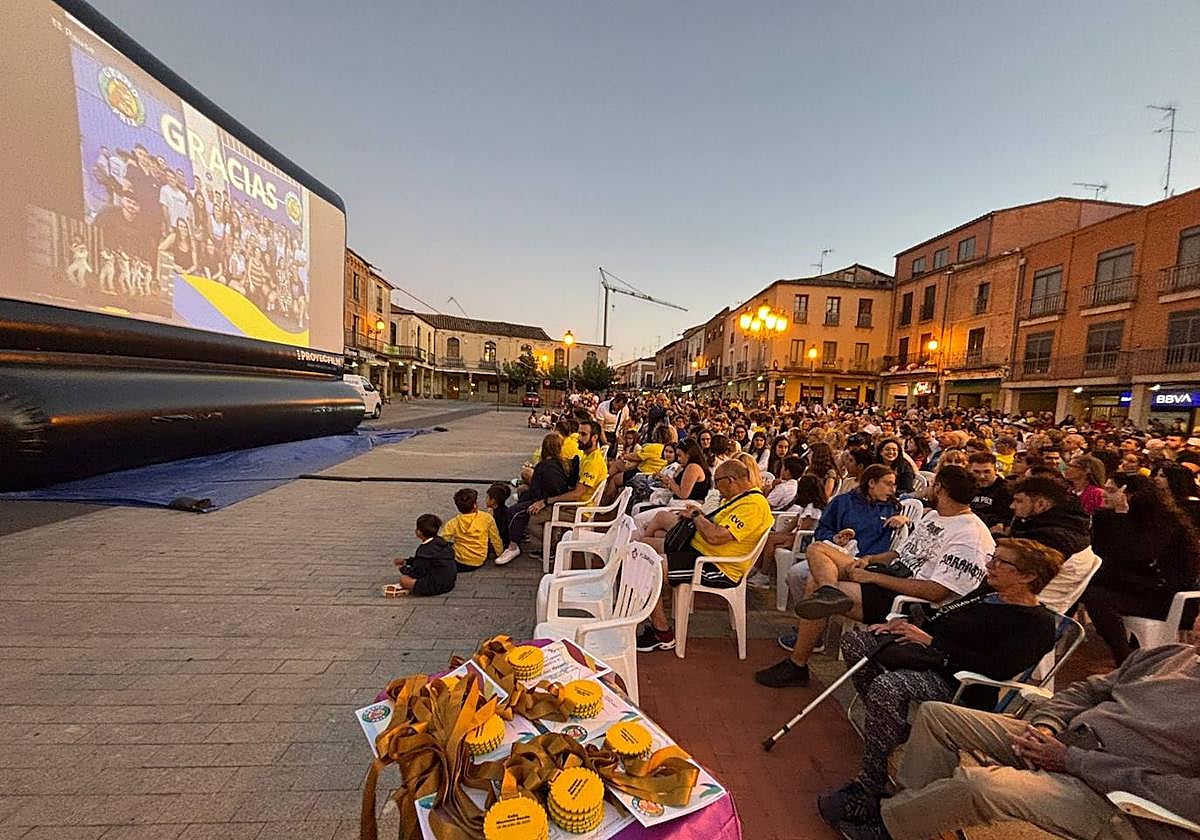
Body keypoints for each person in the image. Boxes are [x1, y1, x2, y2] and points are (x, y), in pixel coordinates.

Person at [820, 538, 1062, 830]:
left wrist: (935, 644)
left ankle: (870, 785)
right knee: (857, 641)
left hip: (961, 682)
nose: (989, 565)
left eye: (1001, 562)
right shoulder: (988, 592)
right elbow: (945, 617)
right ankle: (891, 728)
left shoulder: (1037, 624)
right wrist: (906, 627)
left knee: (888, 687)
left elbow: (999, 668)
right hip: (929, 657)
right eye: (992, 557)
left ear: (1028, 576)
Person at [857, 643, 1200, 840]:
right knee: (937, 715)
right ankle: (910, 816)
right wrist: (1047, 726)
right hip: (1064, 742)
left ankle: (886, 826)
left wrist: (1072, 761)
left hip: (1113, 798)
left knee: (980, 785)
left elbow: (1190, 799)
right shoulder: (1173, 655)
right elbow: (1087, 690)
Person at [758, 466, 995, 688]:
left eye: (932, 485)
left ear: (940, 489)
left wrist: (873, 578)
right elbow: (899, 553)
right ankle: (828, 593)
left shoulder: (969, 535)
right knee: (817, 548)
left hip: (905, 600)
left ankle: (797, 663)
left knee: (813, 581)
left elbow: (936, 592)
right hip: (889, 573)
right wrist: (870, 561)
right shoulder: (935, 516)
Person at [635, 459, 774, 652]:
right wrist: (698, 514)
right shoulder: (740, 498)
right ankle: (650, 603)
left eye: (718, 483)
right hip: (699, 553)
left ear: (731, 480)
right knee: (641, 549)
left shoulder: (754, 505)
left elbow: (716, 536)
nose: (717, 489)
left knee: (646, 566)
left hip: (715, 566)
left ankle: (662, 632)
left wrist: (696, 516)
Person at [1083, 473, 1200, 665]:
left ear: (1131, 495)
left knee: (1095, 594)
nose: (1103, 494)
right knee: (1086, 582)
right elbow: (1102, 554)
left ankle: (1125, 660)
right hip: (1132, 585)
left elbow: (1139, 555)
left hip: (1165, 596)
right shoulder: (1107, 519)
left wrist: (1121, 516)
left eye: (1111, 490)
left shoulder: (1164, 521)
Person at [497, 432, 573, 565]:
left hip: (548, 501)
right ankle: (518, 535)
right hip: (551, 497)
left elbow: (538, 490)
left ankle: (513, 545)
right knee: (523, 495)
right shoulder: (561, 463)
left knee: (515, 512)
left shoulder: (543, 466)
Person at [384, 514, 456, 597]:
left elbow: (418, 571)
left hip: (437, 585)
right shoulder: (441, 542)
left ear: (419, 532)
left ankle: (407, 588)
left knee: (403, 580)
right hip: (449, 582)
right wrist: (407, 561)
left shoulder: (424, 550)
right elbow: (423, 561)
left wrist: (404, 569)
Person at [439, 488, 503, 571]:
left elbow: (441, 539)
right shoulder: (487, 518)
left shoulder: (454, 522)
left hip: (459, 560)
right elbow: (495, 539)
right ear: (475, 505)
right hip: (478, 560)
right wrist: (500, 554)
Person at [967, 451, 1012, 529]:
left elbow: (1006, 519)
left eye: (987, 472)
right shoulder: (966, 487)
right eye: (976, 472)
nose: (982, 476)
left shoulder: (1006, 489)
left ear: (995, 470)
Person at [1152, 461, 1200, 528]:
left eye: (1162, 476)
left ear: (1175, 479)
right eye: (1156, 475)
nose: (1156, 478)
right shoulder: (1155, 498)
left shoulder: (1191, 503)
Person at [485, 483, 513, 548]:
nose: (485, 499)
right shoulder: (504, 510)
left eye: (487, 497)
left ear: (493, 501)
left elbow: (500, 532)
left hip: (499, 542)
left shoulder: (499, 514)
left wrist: (489, 519)